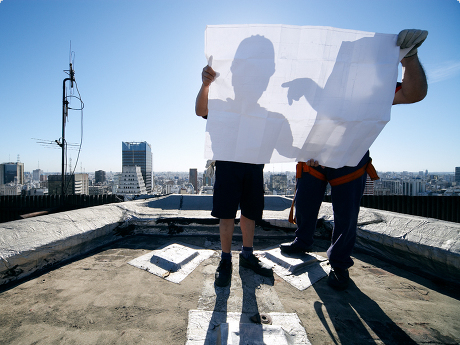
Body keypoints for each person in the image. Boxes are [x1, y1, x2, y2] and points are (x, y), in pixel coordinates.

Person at [280, 29, 428, 291]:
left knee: (346, 216)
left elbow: (413, 93)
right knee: (305, 204)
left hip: (350, 161)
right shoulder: (317, 87)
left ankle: (338, 264)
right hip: (314, 160)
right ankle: (302, 242)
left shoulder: (373, 91)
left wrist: (409, 58)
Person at [195, 36, 275, 287]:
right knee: (227, 214)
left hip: (253, 164)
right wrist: (206, 85)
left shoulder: (266, 110)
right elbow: (200, 110)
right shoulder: (223, 102)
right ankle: (226, 259)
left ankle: (248, 256)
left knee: (250, 212)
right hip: (228, 163)